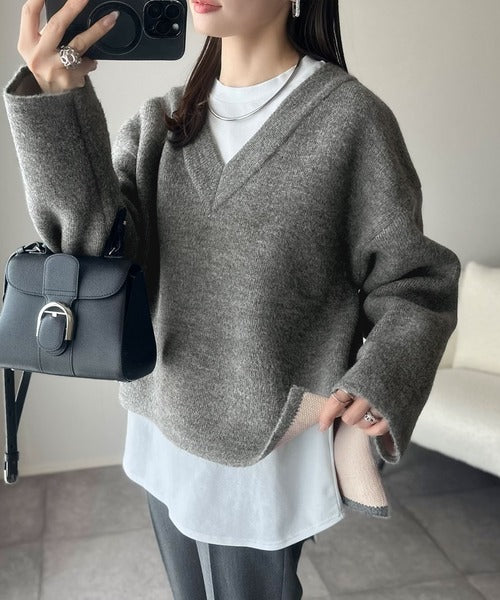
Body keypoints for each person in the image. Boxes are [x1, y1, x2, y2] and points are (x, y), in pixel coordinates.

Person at [3, 0, 461, 598]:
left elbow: (417, 281)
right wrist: (56, 105)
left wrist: (384, 373)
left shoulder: (350, 121)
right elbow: (89, 248)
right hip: (162, 421)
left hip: (269, 440)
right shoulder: (161, 122)